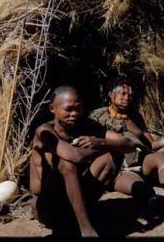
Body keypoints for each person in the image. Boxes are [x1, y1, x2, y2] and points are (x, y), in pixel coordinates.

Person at [29, 85, 136, 237]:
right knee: (67, 164)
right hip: (47, 206)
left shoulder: (86, 125)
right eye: (68, 109)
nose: (74, 114)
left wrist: (100, 142)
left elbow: (129, 144)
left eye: (78, 109)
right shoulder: (45, 132)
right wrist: (102, 148)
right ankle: (87, 230)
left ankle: (79, 215)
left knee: (114, 155)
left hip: (71, 200)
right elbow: (74, 156)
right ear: (52, 108)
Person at [89, 77, 164, 228]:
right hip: (119, 171)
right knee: (144, 192)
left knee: (160, 157)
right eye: (123, 94)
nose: (127, 98)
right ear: (110, 94)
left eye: (130, 95)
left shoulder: (135, 117)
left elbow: (151, 145)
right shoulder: (98, 117)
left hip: (140, 162)